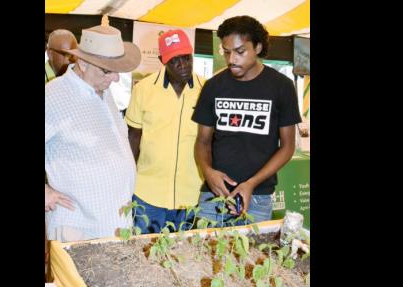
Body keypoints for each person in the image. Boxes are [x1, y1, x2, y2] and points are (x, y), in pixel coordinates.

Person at [192, 15, 301, 225]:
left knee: (252, 257)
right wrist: (208, 172)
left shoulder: (281, 86)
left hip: (257, 198)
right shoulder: (213, 86)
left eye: (240, 52)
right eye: (226, 52)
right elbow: (202, 141)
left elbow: (288, 146)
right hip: (213, 195)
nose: (232, 59)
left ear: (258, 47)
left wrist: (251, 183)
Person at [45, 19, 141, 242]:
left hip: (113, 225)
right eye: (108, 71)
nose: (116, 78)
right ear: (83, 64)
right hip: (78, 228)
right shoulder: (54, 96)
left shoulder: (103, 92)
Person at [125, 29, 206, 233]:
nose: (183, 65)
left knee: (184, 257)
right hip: (147, 193)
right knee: (145, 256)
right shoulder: (143, 89)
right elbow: (133, 137)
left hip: (191, 194)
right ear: (162, 60)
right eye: (174, 60)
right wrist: (126, 181)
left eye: (186, 58)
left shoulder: (207, 90)